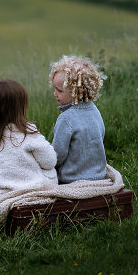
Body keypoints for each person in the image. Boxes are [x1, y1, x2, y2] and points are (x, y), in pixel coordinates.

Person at [0, 78, 57, 220]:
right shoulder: (27, 132)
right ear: (19, 108)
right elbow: (50, 161)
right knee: (49, 170)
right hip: (30, 194)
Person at [49, 55, 108, 183]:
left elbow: (57, 155)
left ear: (77, 92)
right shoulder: (95, 111)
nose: (55, 94)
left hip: (72, 179)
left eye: (59, 90)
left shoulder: (66, 119)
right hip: (98, 175)